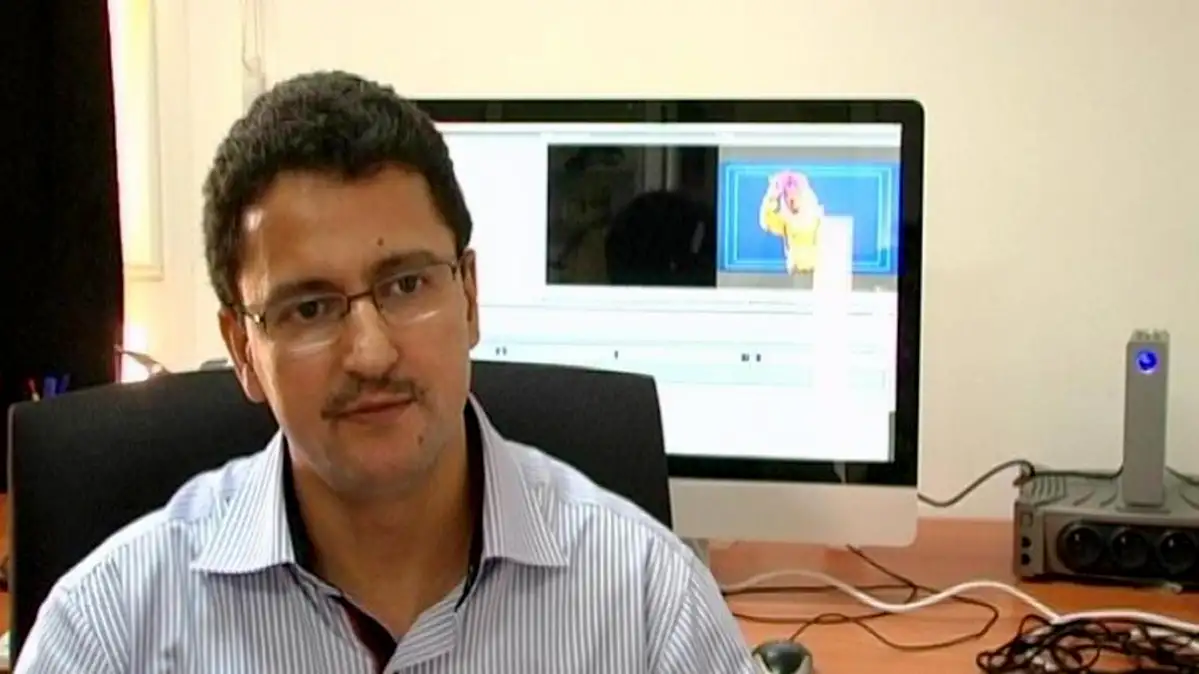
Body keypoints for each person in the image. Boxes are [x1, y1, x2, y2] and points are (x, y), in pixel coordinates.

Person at [16, 71, 757, 673]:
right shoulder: (112, 629)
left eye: (406, 285)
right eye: (309, 308)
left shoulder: (649, 607)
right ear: (242, 349)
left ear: (469, 297)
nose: (370, 353)